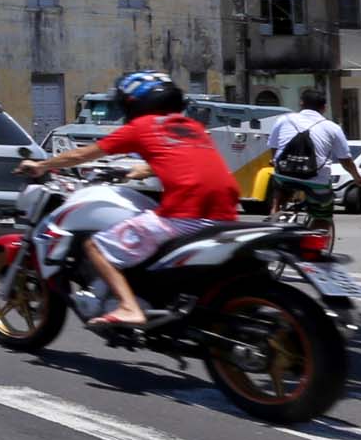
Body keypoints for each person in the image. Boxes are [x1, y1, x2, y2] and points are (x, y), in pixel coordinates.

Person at [19, 69, 238, 327]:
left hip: (185, 216)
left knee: (96, 246)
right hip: (226, 217)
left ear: (133, 102)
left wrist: (41, 165)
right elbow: (181, 159)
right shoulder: (192, 128)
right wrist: (142, 169)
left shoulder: (141, 127)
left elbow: (82, 155)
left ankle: (128, 306)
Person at [261, 85, 356, 213]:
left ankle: (275, 213)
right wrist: (357, 178)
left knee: (279, 192)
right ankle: (319, 227)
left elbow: (274, 147)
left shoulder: (283, 120)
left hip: (284, 174)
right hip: (317, 180)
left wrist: (275, 161)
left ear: (301, 104)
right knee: (322, 216)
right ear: (324, 108)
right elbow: (346, 160)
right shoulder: (333, 128)